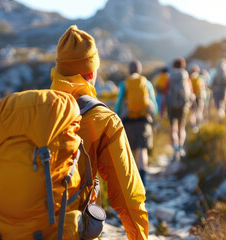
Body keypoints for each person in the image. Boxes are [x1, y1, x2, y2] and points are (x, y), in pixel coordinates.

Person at [50, 25, 148, 239]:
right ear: (92, 72)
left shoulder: (34, 111)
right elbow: (129, 196)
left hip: (18, 229)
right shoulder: (103, 119)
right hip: (70, 230)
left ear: (57, 71)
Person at [115, 60, 158, 186]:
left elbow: (119, 103)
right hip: (143, 121)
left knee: (131, 152)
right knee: (142, 150)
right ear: (139, 70)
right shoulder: (146, 83)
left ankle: (133, 183)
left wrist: (118, 115)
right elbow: (153, 105)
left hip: (128, 121)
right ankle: (143, 181)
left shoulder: (125, 84)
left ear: (129, 70)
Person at [164, 57, 193, 160]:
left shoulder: (170, 76)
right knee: (181, 127)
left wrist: (163, 107)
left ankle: (175, 150)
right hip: (183, 104)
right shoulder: (185, 76)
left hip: (171, 104)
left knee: (173, 128)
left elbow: (166, 91)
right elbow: (190, 90)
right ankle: (181, 148)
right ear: (183, 65)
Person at [189, 64, 207, 132]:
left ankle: (193, 125)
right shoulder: (200, 78)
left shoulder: (189, 78)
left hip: (192, 97)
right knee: (199, 111)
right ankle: (200, 125)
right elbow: (203, 87)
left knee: (192, 112)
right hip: (199, 97)